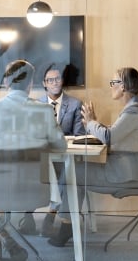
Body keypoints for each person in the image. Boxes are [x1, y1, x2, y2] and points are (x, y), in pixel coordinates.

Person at [0, 59, 67, 260]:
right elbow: (61, 147)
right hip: (33, 190)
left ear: (6, 83)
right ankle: (5, 239)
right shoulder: (45, 110)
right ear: (31, 84)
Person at [48, 67, 138, 247]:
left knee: (73, 173)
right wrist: (94, 123)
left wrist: (91, 123)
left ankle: (64, 223)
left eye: (114, 83)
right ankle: (66, 223)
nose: (111, 86)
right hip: (129, 172)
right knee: (74, 172)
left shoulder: (134, 110)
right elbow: (114, 133)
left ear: (124, 86)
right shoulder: (134, 107)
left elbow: (109, 137)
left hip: (127, 176)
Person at [18, 63, 86, 236]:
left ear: (62, 81)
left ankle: (51, 214)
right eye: (50, 80)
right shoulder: (34, 104)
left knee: (68, 173)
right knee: (27, 170)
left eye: (58, 78)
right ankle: (27, 215)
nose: (55, 82)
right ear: (44, 83)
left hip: (64, 157)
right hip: (41, 158)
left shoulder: (75, 104)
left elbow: (79, 135)